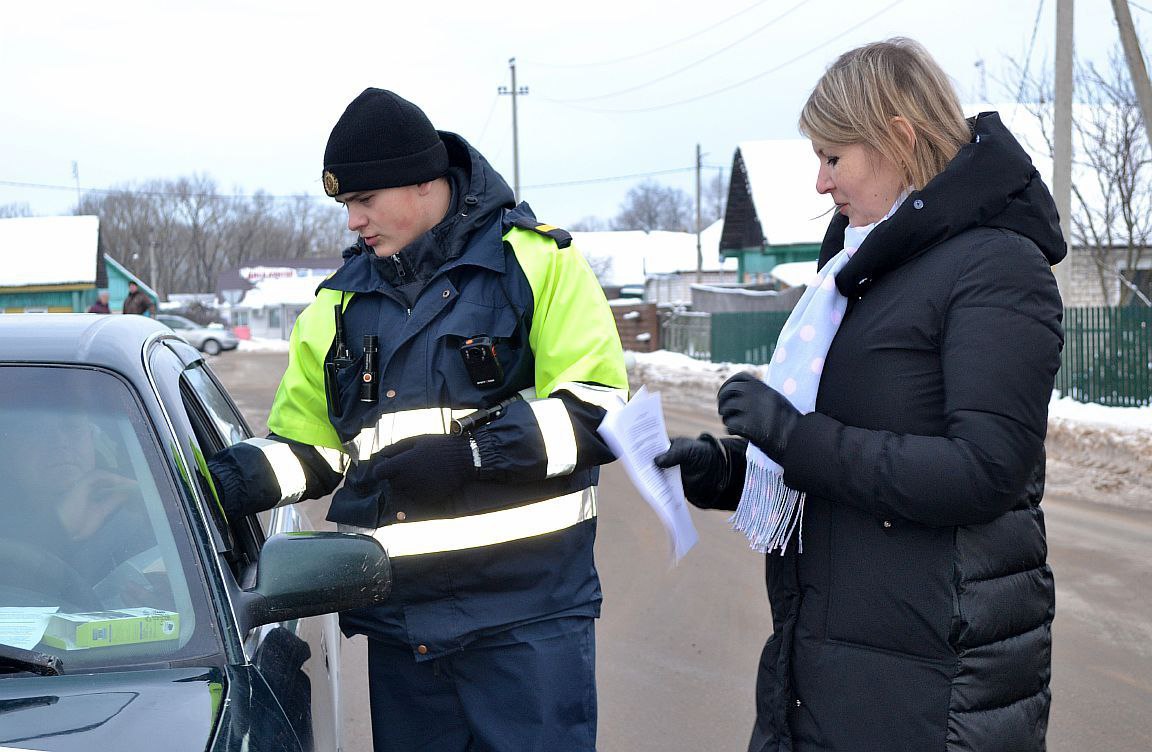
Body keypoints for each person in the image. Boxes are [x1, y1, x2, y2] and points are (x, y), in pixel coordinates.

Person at [655, 38, 1064, 751]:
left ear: (899, 139)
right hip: (831, 657)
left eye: (833, 157)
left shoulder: (997, 267)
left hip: (933, 683)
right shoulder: (865, 267)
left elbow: (984, 472)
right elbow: (852, 437)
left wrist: (794, 438)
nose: (820, 183)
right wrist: (730, 471)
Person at [206, 88, 628, 751]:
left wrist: (474, 456)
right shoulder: (338, 306)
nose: (353, 222)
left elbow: (599, 412)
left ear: (423, 182)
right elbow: (314, 448)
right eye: (346, 206)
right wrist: (227, 480)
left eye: (364, 201)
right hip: (405, 632)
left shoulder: (538, 263)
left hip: (526, 623)